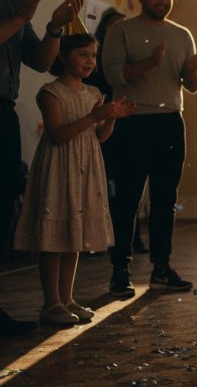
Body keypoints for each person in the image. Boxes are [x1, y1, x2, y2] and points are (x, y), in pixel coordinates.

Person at [13, 32, 134, 325]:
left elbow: (100, 136)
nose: (90, 61)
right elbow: (57, 135)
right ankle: (51, 302)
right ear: (63, 56)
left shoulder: (93, 93)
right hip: (59, 167)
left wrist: (111, 117)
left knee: (74, 235)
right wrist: (94, 117)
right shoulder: (50, 92)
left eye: (93, 55)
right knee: (54, 237)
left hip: (85, 166)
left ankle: (67, 298)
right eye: (82, 54)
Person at [103, 0, 197, 297]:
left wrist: (194, 67)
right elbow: (113, 75)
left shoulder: (182, 35)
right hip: (133, 122)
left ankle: (161, 268)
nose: (162, 1)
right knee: (128, 199)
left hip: (170, 123)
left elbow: (192, 85)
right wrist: (150, 62)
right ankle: (120, 270)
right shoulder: (120, 31)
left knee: (165, 199)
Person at [0, 0, 82, 335]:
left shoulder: (12, 2)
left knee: (1, 207)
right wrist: (23, 16)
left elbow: (42, 61)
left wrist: (52, 25)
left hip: (3, 113)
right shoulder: (16, 9)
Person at [86, 8, 148, 255]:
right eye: (113, 26)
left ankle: (131, 238)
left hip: (129, 125)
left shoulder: (132, 56)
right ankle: (100, 237)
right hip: (101, 125)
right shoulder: (96, 62)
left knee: (129, 185)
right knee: (102, 183)